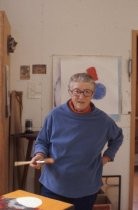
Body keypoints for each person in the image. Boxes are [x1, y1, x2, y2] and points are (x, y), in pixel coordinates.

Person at [30, 72, 123, 210]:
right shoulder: (54, 115)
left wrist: (107, 157)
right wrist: (39, 155)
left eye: (87, 92)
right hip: (54, 186)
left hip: (86, 188)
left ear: (93, 94)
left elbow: (118, 137)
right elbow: (42, 141)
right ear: (69, 92)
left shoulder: (103, 121)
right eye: (76, 91)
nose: (81, 96)